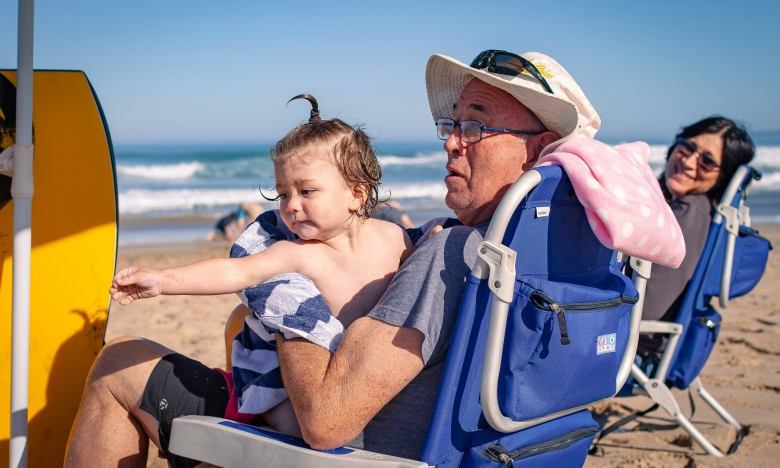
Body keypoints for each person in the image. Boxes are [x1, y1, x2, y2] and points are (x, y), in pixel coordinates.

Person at [65, 49, 600, 467]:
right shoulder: (552, 255)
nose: (451, 143)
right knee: (232, 326)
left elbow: (325, 422)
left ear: (539, 147)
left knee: (119, 361)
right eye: (451, 126)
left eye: (475, 126)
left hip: (345, 455)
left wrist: (286, 296)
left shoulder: (450, 254)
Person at [109, 94, 414, 439]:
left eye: (307, 191)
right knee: (289, 427)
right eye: (283, 194)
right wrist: (164, 280)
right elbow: (234, 272)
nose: (291, 206)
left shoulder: (396, 240)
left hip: (364, 375)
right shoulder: (298, 253)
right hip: (303, 386)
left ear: (356, 196)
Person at [636, 117, 755, 364]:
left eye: (707, 161)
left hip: (635, 350)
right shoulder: (663, 198)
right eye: (687, 147)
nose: (689, 162)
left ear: (722, 177)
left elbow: (646, 309)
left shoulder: (691, 213)